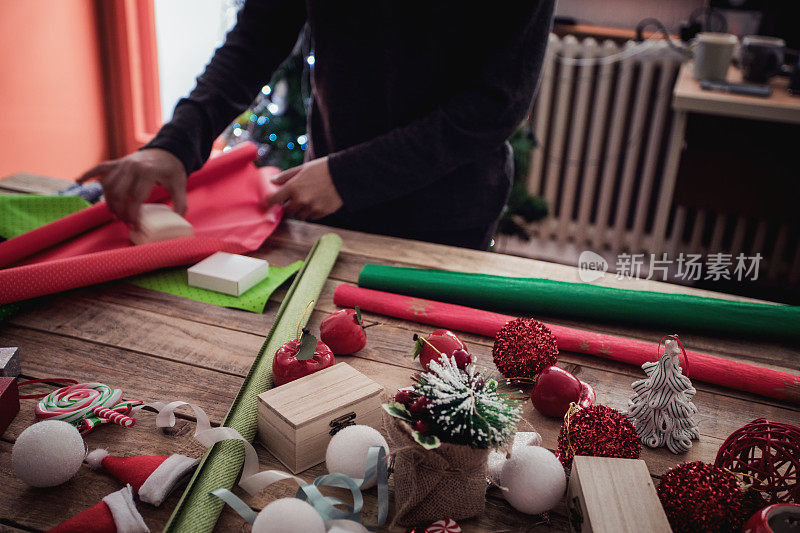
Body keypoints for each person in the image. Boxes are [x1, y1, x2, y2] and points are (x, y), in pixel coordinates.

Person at [78, 0, 555, 250]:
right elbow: (256, 38)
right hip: (333, 208)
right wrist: (176, 142)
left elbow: (496, 104)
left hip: (448, 216)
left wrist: (350, 177)